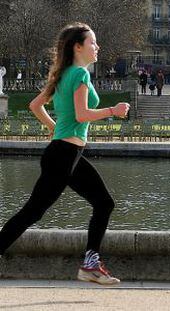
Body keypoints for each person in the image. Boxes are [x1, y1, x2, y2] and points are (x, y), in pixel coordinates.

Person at [0, 22, 129, 285]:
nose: (97, 47)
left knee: (103, 203)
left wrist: (55, 129)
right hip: (64, 154)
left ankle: (90, 265)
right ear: (77, 47)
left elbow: (35, 106)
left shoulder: (62, 74)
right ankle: (90, 265)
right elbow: (82, 115)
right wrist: (112, 111)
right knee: (32, 212)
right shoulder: (80, 75)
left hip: (66, 152)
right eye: (92, 42)